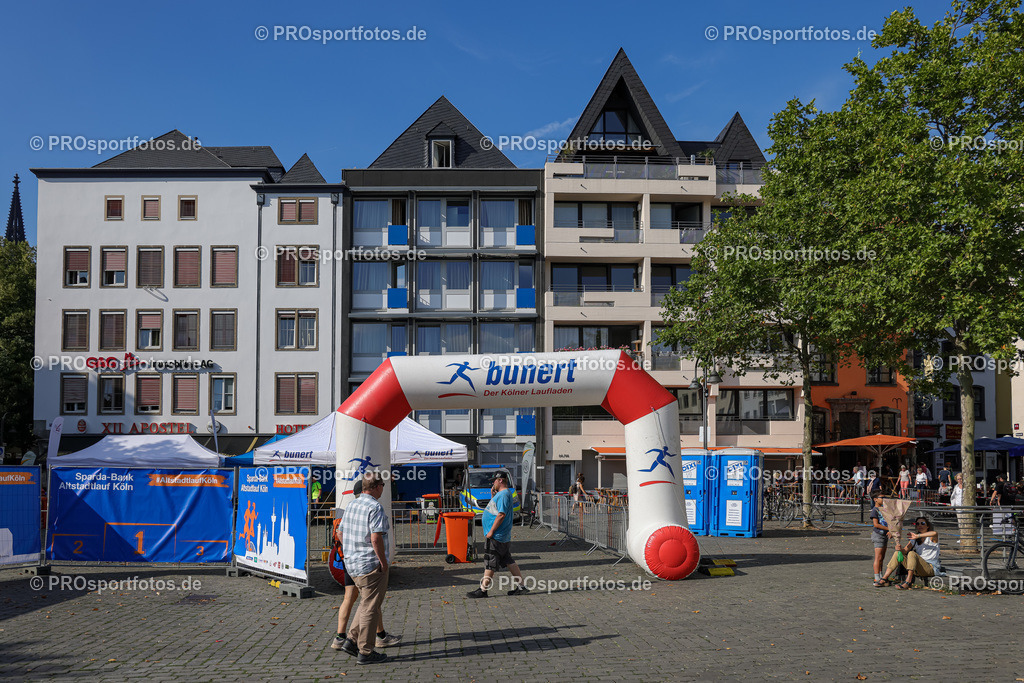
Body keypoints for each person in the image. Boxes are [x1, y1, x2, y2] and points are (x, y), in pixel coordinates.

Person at [332, 478, 400, 656]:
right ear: (377, 487)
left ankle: (351, 641)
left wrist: (350, 551)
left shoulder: (352, 505)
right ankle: (366, 651)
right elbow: (376, 538)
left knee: (366, 604)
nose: (383, 489)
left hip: (352, 563)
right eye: (383, 486)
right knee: (370, 608)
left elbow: (340, 532)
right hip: (370, 565)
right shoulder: (375, 507)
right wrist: (384, 562)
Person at [467, 472, 529, 598]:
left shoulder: (504, 494)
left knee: (490, 561)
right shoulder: (502, 494)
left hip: (497, 536)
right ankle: (522, 587)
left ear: (500, 480)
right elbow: (494, 510)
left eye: (494, 480)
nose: (492, 483)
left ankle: (483, 590)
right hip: (501, 536)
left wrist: (492, 531)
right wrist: (492, 496)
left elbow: (501, 515)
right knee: (508, 560)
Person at [876, 516, 941, 589]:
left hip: (930, 568)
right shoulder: (915, 539)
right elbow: (905, 551)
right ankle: (885, 579)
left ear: (928, 526)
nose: (920, 525)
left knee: (912, 553)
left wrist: (917, 535)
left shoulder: (932, 537)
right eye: (917, 524)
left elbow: (934, 533)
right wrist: (899, 549)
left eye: (922, 523)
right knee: (898, 553)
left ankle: (908, 581)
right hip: (917, 567)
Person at [870, 493, 891, 586]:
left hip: (884, 535)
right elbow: (876, 524)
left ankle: (882, 576)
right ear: (875, 499)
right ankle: (876, 577)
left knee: (882, 557)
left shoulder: (884, 509)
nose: (883, 499)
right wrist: (889, 529)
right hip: (878, 535)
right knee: (878, 557)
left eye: (884, 497)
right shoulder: (875, 510)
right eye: (881, 497)